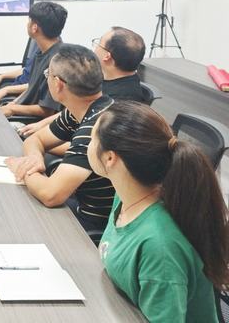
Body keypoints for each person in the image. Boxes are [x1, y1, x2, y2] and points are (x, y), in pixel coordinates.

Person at [89, 101, 229, 322]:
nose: (88, 145)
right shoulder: (126, 197)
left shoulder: (159, 247)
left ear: (109, 158)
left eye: (92, 139)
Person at [6, 44, 115, 233]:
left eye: (47, 74)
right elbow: (35, 139)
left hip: (93, 225)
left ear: (58, 84)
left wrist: (23, 169)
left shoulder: (96, 129)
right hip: (78, 203)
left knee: (16, 220)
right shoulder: (86, 109)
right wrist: (34, 158)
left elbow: (50, 195)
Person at [18, 26, 146, 138]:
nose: (95, 48)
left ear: (107, 56)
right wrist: (41, 126)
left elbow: (91, 145)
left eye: (99, 43)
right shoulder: (102, 77)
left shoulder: (122, 102)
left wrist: (40, 139)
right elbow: (73, 111)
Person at [0, 2, 67, 120]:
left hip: (31, 121)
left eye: (29, 20)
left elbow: (47, 110)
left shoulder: (57, 61)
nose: (27, 24)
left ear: (34, 28)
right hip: (21, 112)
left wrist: (13, 109)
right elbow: (31, 89)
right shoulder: (41, 52)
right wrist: (13, 104)